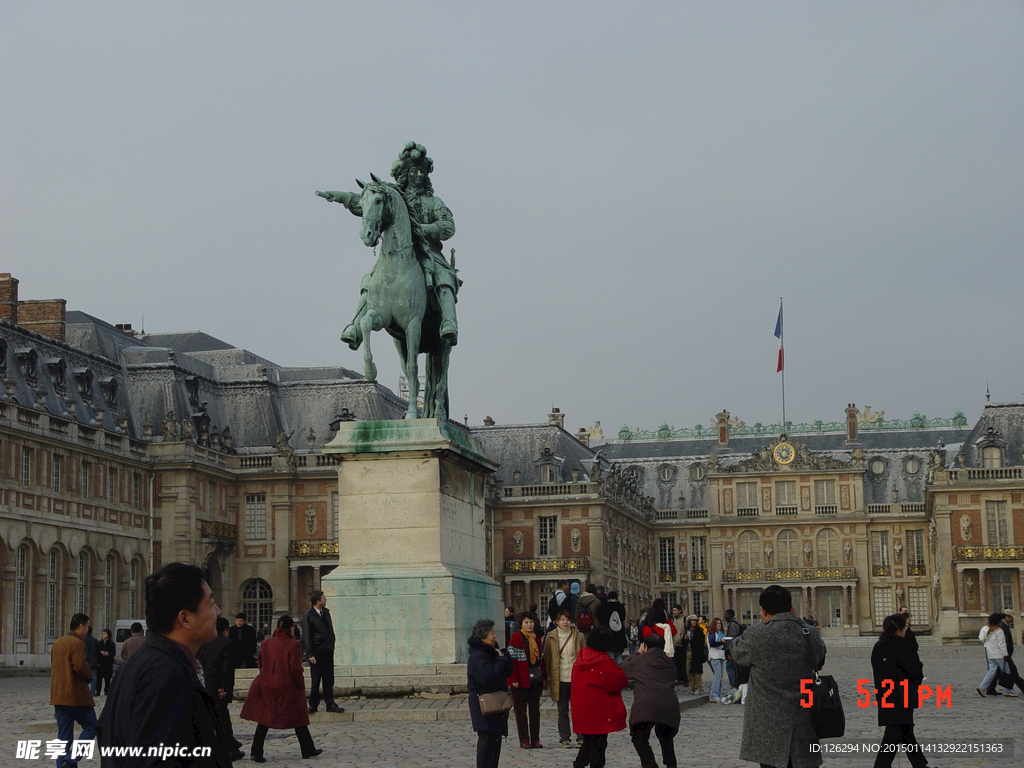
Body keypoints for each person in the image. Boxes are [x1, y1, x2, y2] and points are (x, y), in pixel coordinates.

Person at [322, 141, 460, 348]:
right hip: (394, 253)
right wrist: (343, 198)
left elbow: (448, 226)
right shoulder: (394, 196)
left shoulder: (434, 202)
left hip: (428, 253)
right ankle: (355, 326)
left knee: (444, 277)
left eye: (422, 171)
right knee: (369, 281)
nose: (419, 175)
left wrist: (423, 229)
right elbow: (370, 205)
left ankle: (449, 321)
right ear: (405, 173)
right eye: (414, 171)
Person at [97, 562, 231, 768]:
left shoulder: (140, 663)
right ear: (185, 618)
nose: (218, 611)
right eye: (211, 603)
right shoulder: (166, 674)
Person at [726, 584, 827, 768]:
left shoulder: (758, 634)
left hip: (768, 726)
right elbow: (820, 655)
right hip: (803, 720)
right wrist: (798, 620)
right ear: (791, 607)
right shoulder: (809, 633)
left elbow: (735, 650)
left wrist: (763, 623)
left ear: (763, 610)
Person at [240, 615, 322, 762]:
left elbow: (260, 664)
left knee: (264, 718)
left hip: (266, 683)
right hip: (287, 684)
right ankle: (307, 749)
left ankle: (256, 752)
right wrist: (300, 684)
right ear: (291, 628)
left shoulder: (266, 643)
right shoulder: (294, 644)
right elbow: (295, 669)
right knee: (299, 717)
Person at [871, 613, 929, 768]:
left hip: (886, 694)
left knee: (906, 731)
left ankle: (920, 765)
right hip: (903, 695)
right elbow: (916, 671)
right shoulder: (903, 646)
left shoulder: (879, 646)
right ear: (899, 629)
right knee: (895, 732)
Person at [570, 627, 628, 768]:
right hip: (599, 710)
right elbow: (617, 683)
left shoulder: (580, 657)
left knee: (589, 741)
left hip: (581, 707)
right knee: (599, 746)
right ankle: (581, 764)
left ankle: (579, 764)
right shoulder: (604, 661)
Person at [621, 633, 679, 768]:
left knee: (639, 738)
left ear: (645, 646)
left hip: (645, 704)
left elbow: (622, 669)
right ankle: (671, 765)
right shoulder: (670, 662)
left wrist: (637, 653)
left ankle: (650, 764)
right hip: (668, 704)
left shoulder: (639, 660)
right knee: (666, 738)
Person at [50, 613, 96, 768]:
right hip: (75, 695)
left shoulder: (57, 643)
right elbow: (79, 666)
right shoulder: (77, 643)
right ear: (81, 626)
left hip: (58, 695)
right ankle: (71, 759)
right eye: (87, 626)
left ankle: (61, 765)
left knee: (63, 736)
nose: (88, 630)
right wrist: (90, 676)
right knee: (91, 726)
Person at [467, 618, 514, 768]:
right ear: (482, 635)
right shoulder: (477, 656)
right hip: (484, 703)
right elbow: (488, 677)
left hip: (495, 702)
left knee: (495, 740)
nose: (494, 636)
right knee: (487, 741)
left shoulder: (492, 652)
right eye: (491, 633)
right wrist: (500, 661)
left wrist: (505, 658)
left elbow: (505, 672)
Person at [197, 616, 244, 761]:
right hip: (219, 688)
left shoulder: (203, 644)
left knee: (212, 718)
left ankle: (226, 747)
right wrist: (223, 687)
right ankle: (229, 748)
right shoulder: (227, 644)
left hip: (207, 686)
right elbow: (227, 669)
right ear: (225, 630)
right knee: (223, 718)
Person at [543, 609, 586, 748]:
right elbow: (547, 659)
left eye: (567, 620)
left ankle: (581, 737)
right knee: (562, 711)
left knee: (578, 709)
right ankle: (565, 738)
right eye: (562, 620)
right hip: (559, 678)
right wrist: (547, 678)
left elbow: (584, 656)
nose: (565, 622)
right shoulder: (551, 637)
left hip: (575, 678)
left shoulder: (578, 636)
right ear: (556, 621)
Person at [301, 590, 344, 714]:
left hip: (327, 650)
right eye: (323, 598)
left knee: (329, 679)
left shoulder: (326, 612)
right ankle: (313, 705)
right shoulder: (308, 615)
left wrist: (332, 643)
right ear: (317, 601)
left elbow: (330, 630)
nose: (325, 599)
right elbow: (307, 636)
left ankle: (330, 703)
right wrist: (310, 654)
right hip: (317, 652)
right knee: (316, 680)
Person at [507, 610, 545, 748]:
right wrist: (513, 679)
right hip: (520, 680)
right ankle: (524, 739)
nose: (529, 625)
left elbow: (540, 659)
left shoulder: (537, 638)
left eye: (531, 622)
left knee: (535, 711)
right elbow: (512, 660)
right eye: (526, 622)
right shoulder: (516, 638)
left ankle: (535, 738)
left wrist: (543, 677)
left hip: (535, 679)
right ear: (521, 624)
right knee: (520, 711)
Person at [984, 611, 1024, 695]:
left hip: (1001, 654)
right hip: (1003, 654)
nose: (1012, 620)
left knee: (996, 671)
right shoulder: (1002, 627)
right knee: (1013, 672)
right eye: (1011, 618)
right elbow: (1003, 642)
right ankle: (1009, 690)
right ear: (1007, 617)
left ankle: (990, 688)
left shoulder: (1003, 626)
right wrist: (1006, 654)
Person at [977, 612, 1015, 696]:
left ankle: (982, 687)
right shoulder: (999, 631)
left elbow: (982, 639)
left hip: (990, 654)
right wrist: (1006, 655)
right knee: (1006, 671)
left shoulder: (986, 629)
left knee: (991, 671)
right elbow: (1002, 645)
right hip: (999, 655)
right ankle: (1007, 690)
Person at [596, 591, 628, 664]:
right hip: (619, 635)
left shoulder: (603, 607)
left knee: (610, 656)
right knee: (619, 656)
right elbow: (623, 618)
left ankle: (611, 671)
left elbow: (599, 619)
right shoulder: (620, 607)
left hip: (607, 635)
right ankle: (620, 670)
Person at [706, 617, 730, 703]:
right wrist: (722, 642)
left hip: (720, 656)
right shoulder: (712, 633)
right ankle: (714, 694)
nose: (719, 625)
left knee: (720, 676)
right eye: (717, 623)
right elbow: (712, 643)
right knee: (718, 675)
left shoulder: (720, 633)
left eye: (720, 623)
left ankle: (717, 694)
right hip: (714, 656)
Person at [684, 615, 705, 695]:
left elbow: (701, 643)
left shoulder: (699, 631)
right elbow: (684, 642)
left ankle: (698, 688)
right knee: (688, 671)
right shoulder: (687, 631)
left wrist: (691, 640)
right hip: (688, 652)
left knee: (697, 672)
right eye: (692, 620)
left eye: (695, 620)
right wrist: (685, 639)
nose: (694, 622)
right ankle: (692, 686)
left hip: (697, 653)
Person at [96, 629, 116, 696]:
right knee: (99, 678)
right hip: (101, 662)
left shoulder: (112, 643)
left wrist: (107, 653)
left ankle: (107, 691)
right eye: (103, 634)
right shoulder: (99, 643)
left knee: (107, 679)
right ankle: (98, 691)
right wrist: (100, 653)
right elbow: (97, 652)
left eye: (105, 634)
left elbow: (113, 652)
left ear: (108, 634)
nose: (103, 635)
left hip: (108, 663)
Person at [84, 626, 100, 697]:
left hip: (85, 661)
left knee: (84, 677)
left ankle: (85, 692)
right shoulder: (95, 640)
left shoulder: (82, 640)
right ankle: (93, 692)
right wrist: (98, 661)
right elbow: (98, 652)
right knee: (93, 677)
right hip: (93, 662)